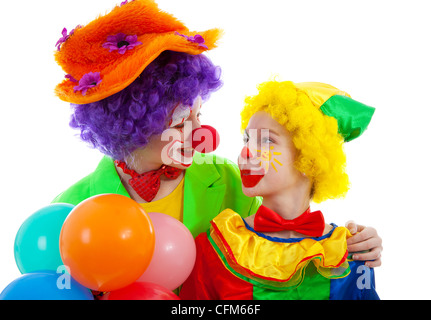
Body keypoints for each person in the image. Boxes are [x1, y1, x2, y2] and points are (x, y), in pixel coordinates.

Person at [51, 0, 382, 268]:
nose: (198, 133)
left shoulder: (233, 183)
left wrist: (354, 242)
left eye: (199, 115)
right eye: (181, 123)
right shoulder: (71, 209)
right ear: (132, 129)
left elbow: (288, 243)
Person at [179, 80, 380, 300]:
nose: (245, 153)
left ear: (309, 158)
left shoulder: (351, 252)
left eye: (266, 140)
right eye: (247, 139)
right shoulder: (215, 248)